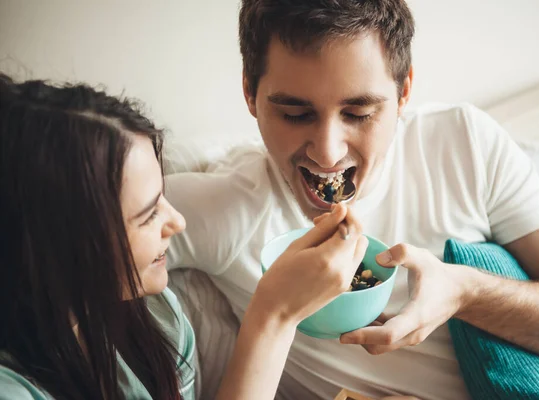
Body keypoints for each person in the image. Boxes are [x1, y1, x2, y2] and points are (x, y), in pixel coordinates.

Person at [165, 0, 539, 399]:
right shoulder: (222, 211)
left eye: (359, 113)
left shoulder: (464, 143)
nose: (328, 152)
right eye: (295, 114)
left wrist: (468, 293)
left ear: (404, 90)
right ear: (249, 94)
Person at [0, 74, 369, 400]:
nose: (176, 221)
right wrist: (273, 317)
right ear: (59, 245)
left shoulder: (159, 320)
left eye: (164, 197)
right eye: (149, 214)